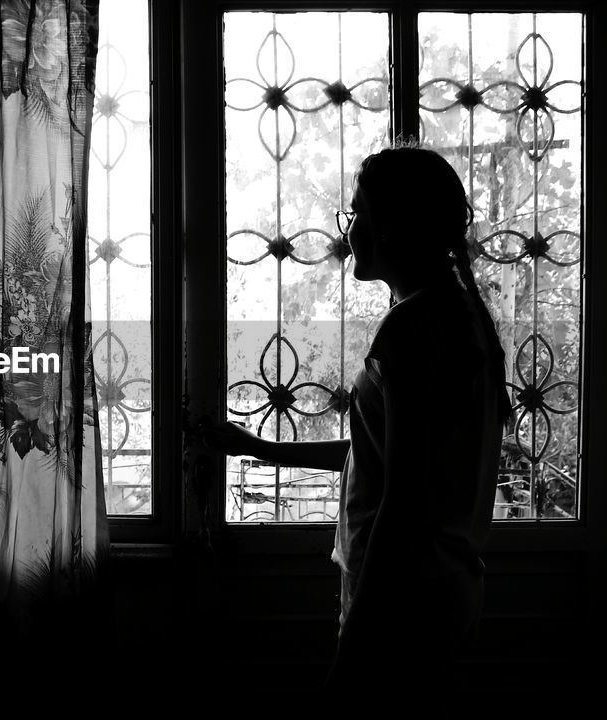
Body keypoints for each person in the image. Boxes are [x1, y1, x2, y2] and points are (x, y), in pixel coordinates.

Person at [203, 145, 513, 710]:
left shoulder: (410, 329)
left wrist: (352, 652)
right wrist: (265, 451)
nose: (350, 233)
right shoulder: (457, 318)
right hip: (440, 591)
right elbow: (390, 455)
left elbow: (401, 503)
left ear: (395, 228)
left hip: (401, 601)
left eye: (358, 217)